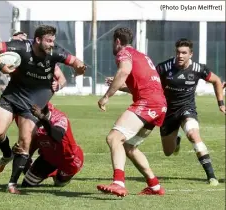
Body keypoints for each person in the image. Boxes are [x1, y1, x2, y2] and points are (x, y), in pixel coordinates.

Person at [0, 25, 86, 194]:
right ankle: (7, 154)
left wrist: (79, 68)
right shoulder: (21, 48)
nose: (51, 44)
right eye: (48, 41)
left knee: (25, 142)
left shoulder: (54, 53)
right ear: (37, 40)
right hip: (13, 94)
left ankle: (12, 184)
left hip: (34, 101)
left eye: (53, 41)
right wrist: (0, 64)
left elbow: (75, 62)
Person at [97, 27, 167, 197]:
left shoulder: (124, 53)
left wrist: (107, 96)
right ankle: (155, 186)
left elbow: (124, 71)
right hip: (160, 104)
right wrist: (119, 86)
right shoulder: (142, 55)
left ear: (117, 41)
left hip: (148, 103)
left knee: (114, 138)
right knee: (129, 146)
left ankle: (118, 183)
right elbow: (142, 85)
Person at [155, 38, 225, 186]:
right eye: (178, 52)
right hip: (168, 112)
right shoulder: (163, 67)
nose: (180, 55)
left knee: (194, 135)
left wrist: (221, 104)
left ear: (190, 54)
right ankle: (177, 140)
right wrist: (123, 86)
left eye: (184, 53)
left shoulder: (199, 69)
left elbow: (217, 80)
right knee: (168, 152)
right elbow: (149, 83)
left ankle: (211, 176)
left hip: (187, 108)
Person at [13, 103, 84, 191]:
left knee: (59, 183)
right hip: (48, 158)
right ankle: (51, 171)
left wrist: (42, 118)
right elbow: (29, 148)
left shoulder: (59, 117)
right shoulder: (29, 122)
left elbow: (57, 136)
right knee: (27, 184)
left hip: (69, 159)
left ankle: (56, 174)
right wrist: (22, 153)